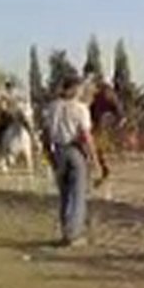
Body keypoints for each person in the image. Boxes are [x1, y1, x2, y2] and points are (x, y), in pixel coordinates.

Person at [41, 72, 104, 247]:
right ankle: (73, 235)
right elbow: (86, 136)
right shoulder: (79, 108)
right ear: (75, 89)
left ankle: (65, 232)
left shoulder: (51, 107)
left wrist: (50, 156)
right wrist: (95, 160)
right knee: (78, 194)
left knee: (64, 195)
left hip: (57, 152)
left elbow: (45, 136)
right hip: (74, 151)